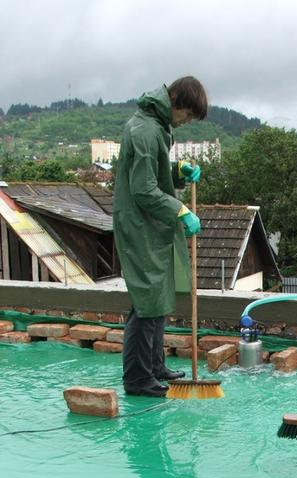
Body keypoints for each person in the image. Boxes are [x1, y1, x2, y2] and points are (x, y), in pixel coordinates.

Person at [113, 77, 207, 397]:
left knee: (157, 295)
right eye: (188, 115)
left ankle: (154, 366)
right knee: (147, 302)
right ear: (177, 102)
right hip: (138, 224)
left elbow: (152, 169)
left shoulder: (156, 125)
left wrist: (178, 170)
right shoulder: (145, 130)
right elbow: (143, 189)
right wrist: (180, 210)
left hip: (150, 224)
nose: (186, 122)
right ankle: (138, 378)